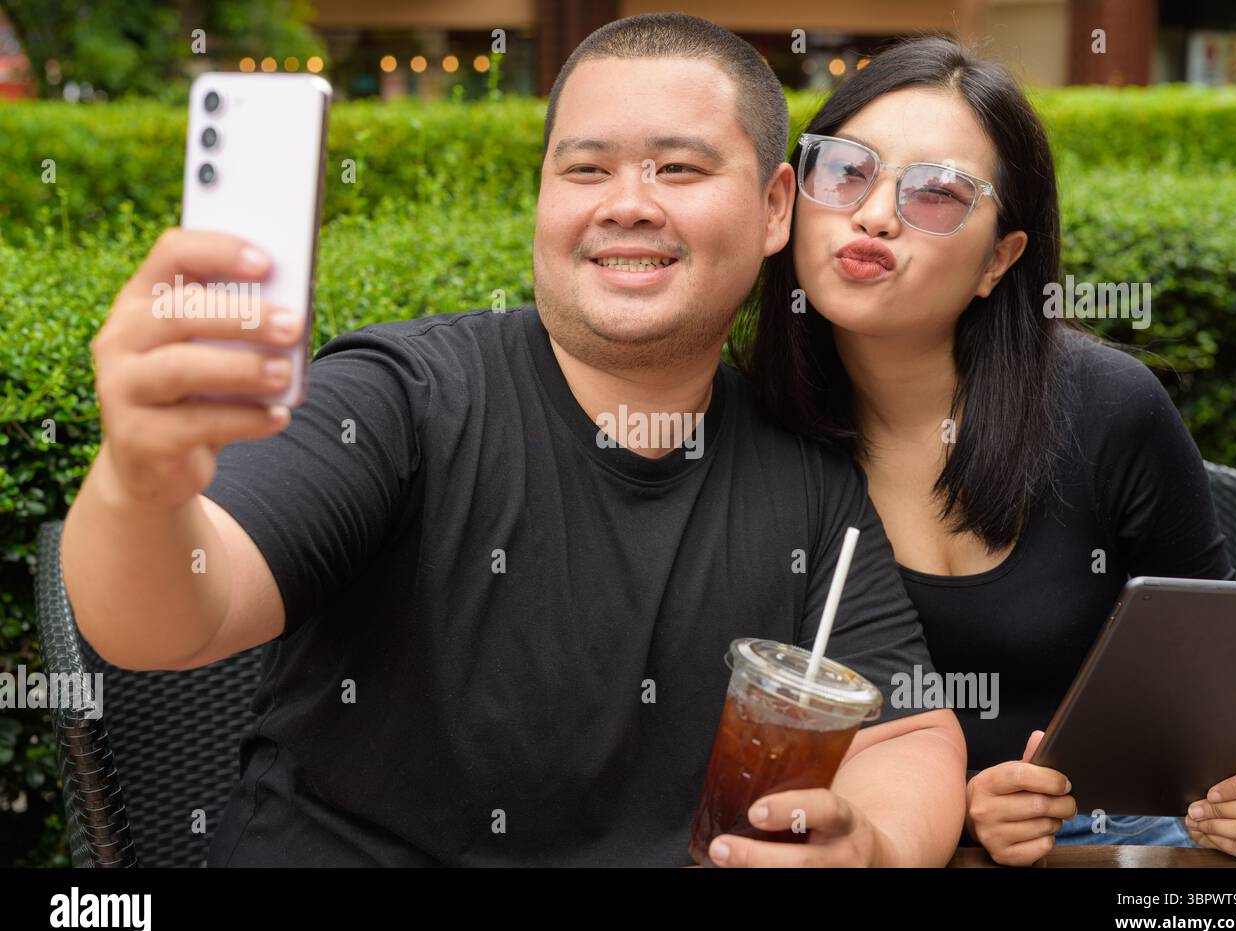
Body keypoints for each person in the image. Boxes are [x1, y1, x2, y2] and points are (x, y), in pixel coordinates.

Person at [61, 14, 967, 867]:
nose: (627, 205)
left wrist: (872, 844)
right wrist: (141, 480)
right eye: (584, 170)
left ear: (776, 209)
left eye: (679, 170)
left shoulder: (803, 471)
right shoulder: (397, 398)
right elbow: (178, 618)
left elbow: (911, 733)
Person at [735, 36, 1236, 865]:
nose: (876, 212)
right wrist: (953, 816)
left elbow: (1216, 699)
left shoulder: (1107, 408)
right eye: (846, 169)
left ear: (1000, 260)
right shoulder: (746, 432)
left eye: (937, 193)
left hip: (1116, 844)